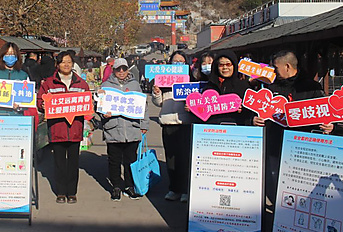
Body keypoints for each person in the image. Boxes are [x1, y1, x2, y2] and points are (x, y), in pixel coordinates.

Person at [252, 50, 333, 201]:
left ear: (287, 66)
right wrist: (255, 120)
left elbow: (326, 113)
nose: (273, 71)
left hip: (302, 147)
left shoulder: (311, 87)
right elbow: (257, 111)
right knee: (274, 183)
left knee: (300, 185)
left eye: (275, 68)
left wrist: (329, 125)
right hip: (275, 144)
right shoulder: (270, 88)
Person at [37, 51, 90, 204]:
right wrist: (43, 105)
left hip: (75, 130)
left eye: (69, 62)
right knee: (59, 163)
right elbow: (40, 101)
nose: (66, 65)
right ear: (57, 64)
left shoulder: (81, 83)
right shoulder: (49, 83)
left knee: (73, 163)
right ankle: (60, 192)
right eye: (63, 62)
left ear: (73, 64)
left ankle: (72, 192)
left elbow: (87, 103)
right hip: (57, 129)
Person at [151, 50, 198, 203]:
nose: (178, 64)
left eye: (181, 61)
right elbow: (158, 102)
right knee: (170, 158)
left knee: (184, 158)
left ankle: (185, 190)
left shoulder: (190, 82)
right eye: (175, 61)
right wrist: (156, 93)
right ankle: (174, 189)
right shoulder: (162, 81)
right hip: (167, 122)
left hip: (184, 123)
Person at [100, 58, 149, 201]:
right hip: (113, 128)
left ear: (128, 69)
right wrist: (103, 113)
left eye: (124, 69)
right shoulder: (106, 85)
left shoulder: (135, 84)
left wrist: (144, 124)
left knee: (131, 160)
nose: (121, 72)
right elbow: (100, 105)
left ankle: (129, 186)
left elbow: (143, 105)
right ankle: (116, 186)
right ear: (113, 70)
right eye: (118, 69)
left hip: (132, 128)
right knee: (114, 161)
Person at [202, 51, 252, 125]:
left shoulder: (243, 86)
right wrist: (192, 108)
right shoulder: (210, 86)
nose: (225, 68)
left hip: (235, 128)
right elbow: (202, 110)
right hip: (212, 128)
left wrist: (242, 110)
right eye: (221, 65)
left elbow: (249, 113)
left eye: (228, 64)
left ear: (234, 66)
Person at [0, 42, 29, 115]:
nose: (10, 57)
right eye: (7, 54)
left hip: (15, 116)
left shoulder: (23, 76)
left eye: (13, 54)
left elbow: (28, 99)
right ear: (2, 56)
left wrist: (20, 106)